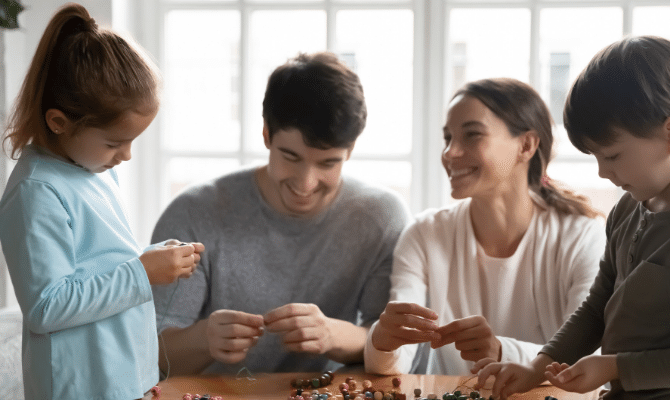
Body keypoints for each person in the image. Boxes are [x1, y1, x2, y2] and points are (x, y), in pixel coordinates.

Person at [472, 36, 670, 399]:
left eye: (612, 156)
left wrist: (614, 366)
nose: (602, 173)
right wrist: (538, 367)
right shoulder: (630, 206)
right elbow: (598, 304)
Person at [151, 51, 410, 375]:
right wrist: (204, 339)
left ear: (351, 150)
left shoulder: (381, 218)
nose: (306, 183)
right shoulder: (193, 212)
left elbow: (391, 346)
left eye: (328, 163)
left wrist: (333, 334)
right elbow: (150, 356)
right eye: (291, 156)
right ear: (266, 135)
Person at [0, 4, 204, 400]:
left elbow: (98, 265)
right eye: (114, 143)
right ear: (59, 122)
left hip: (122, 379)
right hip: (80, 387)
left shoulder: (92, 169)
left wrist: (150, 260)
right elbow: (47, 307)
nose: (125, 156)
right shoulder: (36, 191)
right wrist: (142, 273)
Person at [364, 78, 605, 376]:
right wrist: (382, 342)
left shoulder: (582, 235)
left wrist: (501, 351)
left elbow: (587, 360)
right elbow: (396, 360)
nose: (450, 153)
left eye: (472, 135)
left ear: (526, 145)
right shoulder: (424, 234)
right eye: (448, 138)